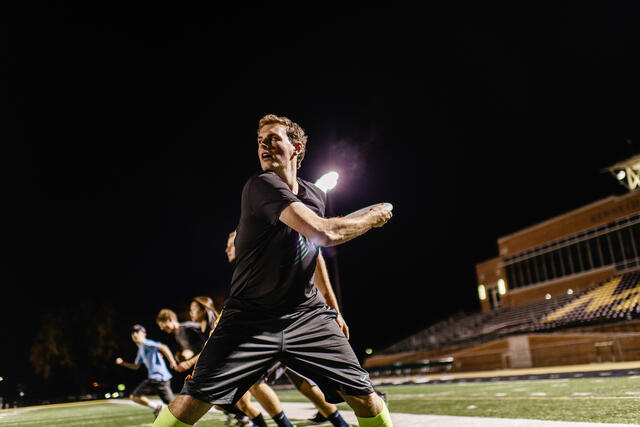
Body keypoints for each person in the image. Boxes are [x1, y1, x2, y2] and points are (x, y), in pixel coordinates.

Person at [154, 114, 393, 427]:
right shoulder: (260, 185)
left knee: (367, 398)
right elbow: (326, 233)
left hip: (305, 314)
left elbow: (314, 251)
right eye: (259, 141)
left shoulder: (315, 196)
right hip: (248, 317)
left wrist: (333, 309)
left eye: (273, 138)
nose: (263, 144)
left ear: (295, 148)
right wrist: (371, 218)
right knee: (191, 403)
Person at [227, 230, 350, 427]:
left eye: (231, 242)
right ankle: (341, 422)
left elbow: (318, 271)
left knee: (263, 381)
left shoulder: (274, 253)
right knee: (302, 384)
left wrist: (335, 313)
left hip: (291, 326)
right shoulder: (248, 269)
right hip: (283, 329)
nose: (227, 248)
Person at [188, 295, 291, 427]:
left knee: (254, 386)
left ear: (203, 310)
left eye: (193, 309)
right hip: (233, 363)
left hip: (244, 355)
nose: (191, 313)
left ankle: (285, 424)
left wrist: (190, 364)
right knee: (240, 404)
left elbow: (211, 350)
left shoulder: (215, 322)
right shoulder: (201, 329)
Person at [116, 324, 178, 419]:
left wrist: (172, 361)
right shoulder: (141, 349)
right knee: (135, 396)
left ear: (144, 334)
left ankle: (162, 409)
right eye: (133, 333)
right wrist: (123, 363)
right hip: (155, 379)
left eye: (137, 332)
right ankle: (158, 407)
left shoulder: (146, 343)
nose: (135, 334)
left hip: (160, 379)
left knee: (174, 408)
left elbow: (164, 347)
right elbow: (136, 366)